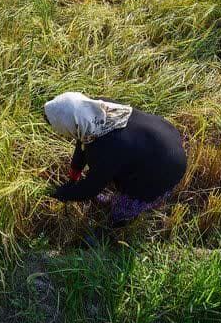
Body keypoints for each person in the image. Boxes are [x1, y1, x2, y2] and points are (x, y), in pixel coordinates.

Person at [44, 92, 186, 227]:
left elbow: (91, 188)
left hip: (166, 168)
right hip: (162, 136)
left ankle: (115, 228)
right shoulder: (95, 109)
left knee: (125, 206)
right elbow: (82, 144)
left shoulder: (107, 147)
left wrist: (64, 194)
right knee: (121, 166)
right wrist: (73, 178)